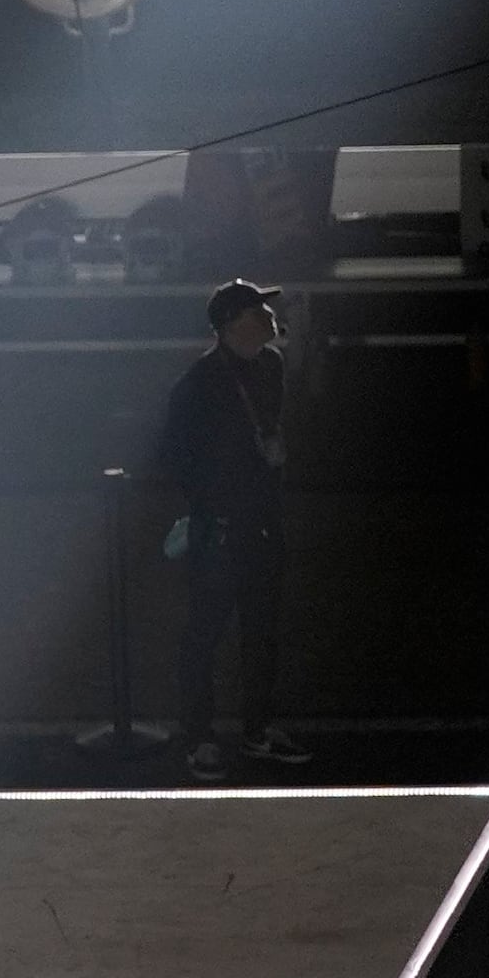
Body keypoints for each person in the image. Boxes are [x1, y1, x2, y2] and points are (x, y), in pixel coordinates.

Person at [157, 277, 301, 779]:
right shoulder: (199, 384)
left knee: (262, 633)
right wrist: (212, 505)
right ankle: (199, 738)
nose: (267, 317)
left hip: (262, 521)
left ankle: (256, 730)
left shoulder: (270, 366)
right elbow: (176, 456)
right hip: (221, 526)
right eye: (256, 311)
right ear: (230, 324)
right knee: (206, 633)